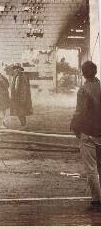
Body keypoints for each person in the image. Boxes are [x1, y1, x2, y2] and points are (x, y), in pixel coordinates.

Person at [70, 60, 101, 210]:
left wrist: (75, 129)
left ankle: (97, 200)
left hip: (88, 133)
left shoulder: (83, 90)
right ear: (95, 72)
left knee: (91, 168)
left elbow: (80, 112)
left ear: (83, 73)